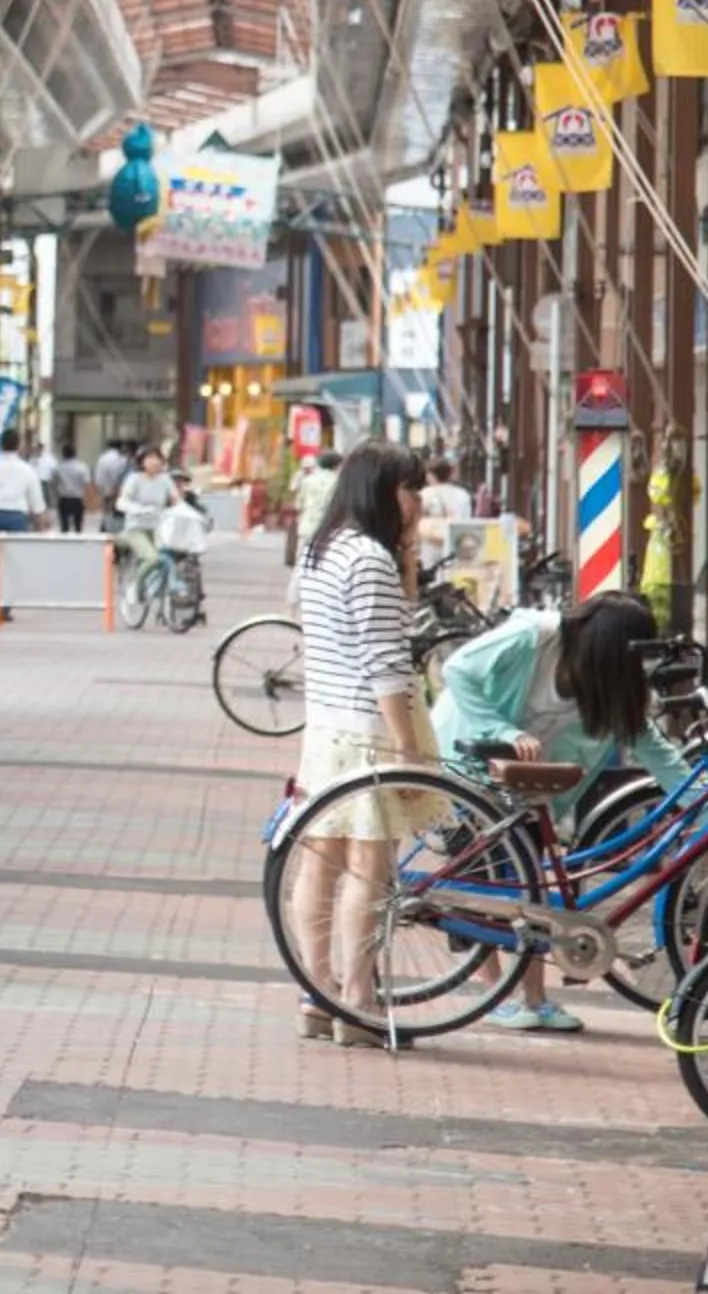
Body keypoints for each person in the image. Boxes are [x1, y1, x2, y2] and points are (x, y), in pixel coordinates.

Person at [433, 592, 683, 1033]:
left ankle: (536, 998)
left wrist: (706, 803)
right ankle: (495, 996)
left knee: (531, 886)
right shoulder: (535, 638)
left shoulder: (606, 682)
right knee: (484, 884)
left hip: (526, 782)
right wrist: (500, 729)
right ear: (610, 648)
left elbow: (654, 749)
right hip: (466, 763)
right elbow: (458, 670)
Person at [281, 442, 441, 1048]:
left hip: (325, 729)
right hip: (369, 733)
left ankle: (315, 994)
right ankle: (357, 1001)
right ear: (382, 490)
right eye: (411, 490)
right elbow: (388, 663)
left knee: (319, 864)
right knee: (368, 873)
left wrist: (406, 553)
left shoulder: (323, 551)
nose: (418, 503)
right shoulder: (367, 559)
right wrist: (406, 748)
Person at [0, 431, 48, 622]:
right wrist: (40, 527)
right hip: (17, 519)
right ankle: (5, 606)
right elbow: (37, 503)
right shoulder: (27, 470)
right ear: (19, 445)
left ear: (0, 445)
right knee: (13, 564)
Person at [418, 456, 473, 573]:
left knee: (433, 579)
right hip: (457, 544)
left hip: (431, 546)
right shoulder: (463, 495)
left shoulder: (425, 495)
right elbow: (467, 519)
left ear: (431, 475)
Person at [293, 446, 341, 559]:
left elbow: (299, 504)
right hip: (328, 530)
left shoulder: (308, 480)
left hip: (306, 527)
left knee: (301, 561)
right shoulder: (338, 483)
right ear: (336, 465)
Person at [92, 438, 133, 532]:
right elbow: (121, 476)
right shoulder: (121, 459)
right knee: (117, 510)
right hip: (116, 489)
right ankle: (114, 527)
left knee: (106, 509)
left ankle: (106, 525)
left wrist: (99, 488)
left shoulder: (102, 458)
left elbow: (98, 475)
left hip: (105, 488)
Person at [51, 442, 91, 534]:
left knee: (64, 526)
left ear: (63, 454)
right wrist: (88, 500)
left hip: (64, 499)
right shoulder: (82, 467)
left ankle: (65, 544)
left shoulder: (58, 468)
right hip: (77, 499)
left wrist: (56, 497)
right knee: (78, 526)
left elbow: (54, 484)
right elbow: (87, 484)